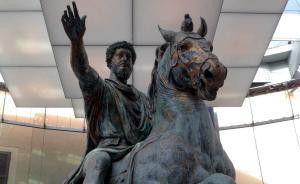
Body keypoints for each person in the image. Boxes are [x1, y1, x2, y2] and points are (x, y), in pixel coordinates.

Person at [61, 2, 152, 183]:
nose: (125, 59)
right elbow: (83, 70)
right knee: (99, 162)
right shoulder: (101, 89)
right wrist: (76, 41)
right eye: (120, 55)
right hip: (106, 150)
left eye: (129, 57)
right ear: (109, 62)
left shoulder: (143, 99)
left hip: (137, 150)